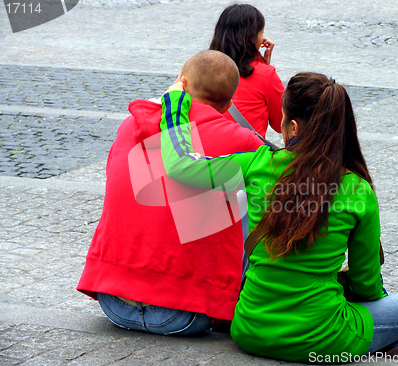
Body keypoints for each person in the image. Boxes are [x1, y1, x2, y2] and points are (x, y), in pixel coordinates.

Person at [159, 72, 398, 362]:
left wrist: (174, 101)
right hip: (323, 338)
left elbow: (181, 165)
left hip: (251, 330)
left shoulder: (256, 164)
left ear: (293, 127)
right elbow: (366, 285)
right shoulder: (358, 190)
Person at [76, 50, 263, 335]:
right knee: (249, 194)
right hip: (188, 313)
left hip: (112, 300)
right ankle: (234, 297)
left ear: (182, 84)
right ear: (228, 102)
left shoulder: (131, 124)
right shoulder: (244, 142)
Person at [209, 3, 284, 138]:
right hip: (249, 156)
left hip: (207, 155)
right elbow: (282, 124)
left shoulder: (201, 69)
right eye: (261, 33)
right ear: (252, 38)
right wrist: (265, 68)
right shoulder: (266, 75)